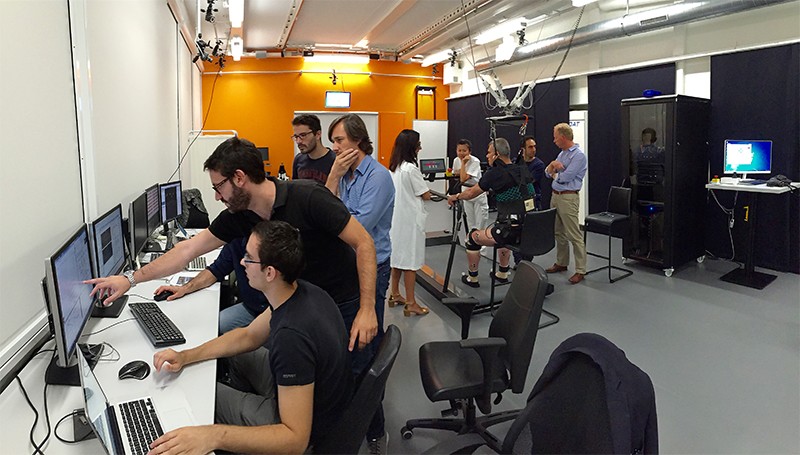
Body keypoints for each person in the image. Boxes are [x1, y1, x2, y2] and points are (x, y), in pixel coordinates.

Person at [87, 136, 379, 354]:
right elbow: (187, 249)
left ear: (239, 178)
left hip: (343, 300)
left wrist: (367, 309)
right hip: (300, 303)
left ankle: (371, 434)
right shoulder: (239, 216)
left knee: (351, 374)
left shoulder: (309, 197)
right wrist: (130, 279)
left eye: (218, 187)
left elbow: (364, 243)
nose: (216, 196)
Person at [149, 220, 353, 454]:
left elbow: (295, 440)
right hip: (309, 395)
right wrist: (186, 356)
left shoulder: (292, 338)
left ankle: (241, 428)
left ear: (269, 272)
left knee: (207, 395)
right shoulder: (300, 290)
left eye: (249, 257)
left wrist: (212, 435)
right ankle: (244, 425)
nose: (242, 263)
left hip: (303, 430)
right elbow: (248, 336)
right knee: (236, 352)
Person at [324, 113, 395, 452]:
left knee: (364, 349)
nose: (335, 147)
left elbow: (358, 228)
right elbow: (325, 212)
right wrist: (334, 176)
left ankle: (375, 430)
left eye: (339, 141)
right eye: (333, 141)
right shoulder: (346, 175)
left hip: (374, 269)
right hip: (346, 269)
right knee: (347, 348)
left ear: (358, 140)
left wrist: (336, 207)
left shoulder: (379, 178)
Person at [446, 137, 535, 288]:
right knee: (504, 234)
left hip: (508, 232)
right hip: (528, 229)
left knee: (472, 237)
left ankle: (472, 277)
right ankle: (502, 272)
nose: (486, 156)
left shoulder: (494, 173)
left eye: (489, 153)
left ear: (497, 155)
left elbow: (472, 192)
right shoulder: (522, 169)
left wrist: (455, 196)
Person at [153, 237, 269, 334]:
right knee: (212, 328)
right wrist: (185, 288)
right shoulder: (237, 237)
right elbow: (216, 270)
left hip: (273, 312)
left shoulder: (272, 244)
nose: (242, 262)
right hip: (251, 307)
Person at [388, 129, 431, 317]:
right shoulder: (411, 169)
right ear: (412, 147)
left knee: (397, 258)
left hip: (397, 221)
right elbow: (425, 194)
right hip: (410, 222)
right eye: (418, 144)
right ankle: (411, 303)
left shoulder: (394, 167)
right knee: (411, 262)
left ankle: (395, 294)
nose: (420, 147)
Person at [545, 122, 588, 284]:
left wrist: (555, 171)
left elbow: (566, 178)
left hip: (568, 198)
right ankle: (562, 262)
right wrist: (552, 166)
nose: (554, 141)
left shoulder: (578, 155)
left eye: (556, 138)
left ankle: (580, 270)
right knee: (558, 232)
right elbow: (547, 172)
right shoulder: (562, 154)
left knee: (574, 234)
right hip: (556, 196)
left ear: (563, 137)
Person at [452, 139, 489, 241]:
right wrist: (463, 172)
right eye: (459, 150)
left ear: (469, 151)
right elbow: (456, 174)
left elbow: (463, 178)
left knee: (480, 224)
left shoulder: (475, 161)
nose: (461, 153)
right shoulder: (456, 160)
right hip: (466, 193)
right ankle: (471, 245)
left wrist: (463, 164)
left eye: (464, 150)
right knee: (470, 222)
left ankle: (482, 251)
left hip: (477, 194)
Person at [291, 114, 335, 184]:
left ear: (318, 134)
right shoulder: (298, 159)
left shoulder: (335, 161)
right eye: (296, 137)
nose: (298, 141)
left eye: (303, 135)